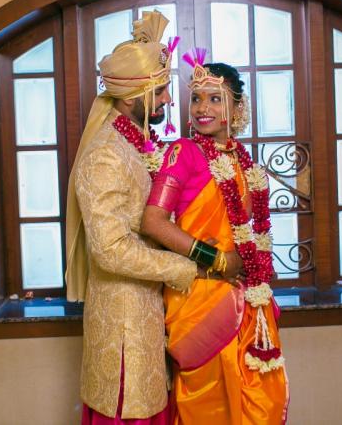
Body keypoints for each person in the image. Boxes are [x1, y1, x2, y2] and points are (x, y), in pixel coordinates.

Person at [66, 11, 242, 424]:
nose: (168, 101)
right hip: (124, 327)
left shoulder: (135, 143)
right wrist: (197, 266)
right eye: (160, 92)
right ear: (131, 97)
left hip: (151, 315)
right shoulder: (105, 155)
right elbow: (111, 250)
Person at [141, 49, 289, 424]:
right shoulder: (183, 153)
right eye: (196, 98)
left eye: (214, 99)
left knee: (259, 401)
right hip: (201, 295)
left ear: (237, 108)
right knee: (210, 407)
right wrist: (219, 260)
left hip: (245, 297)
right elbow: (154, 222)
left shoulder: (244, 162)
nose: (202, 108)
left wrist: (253, 268)